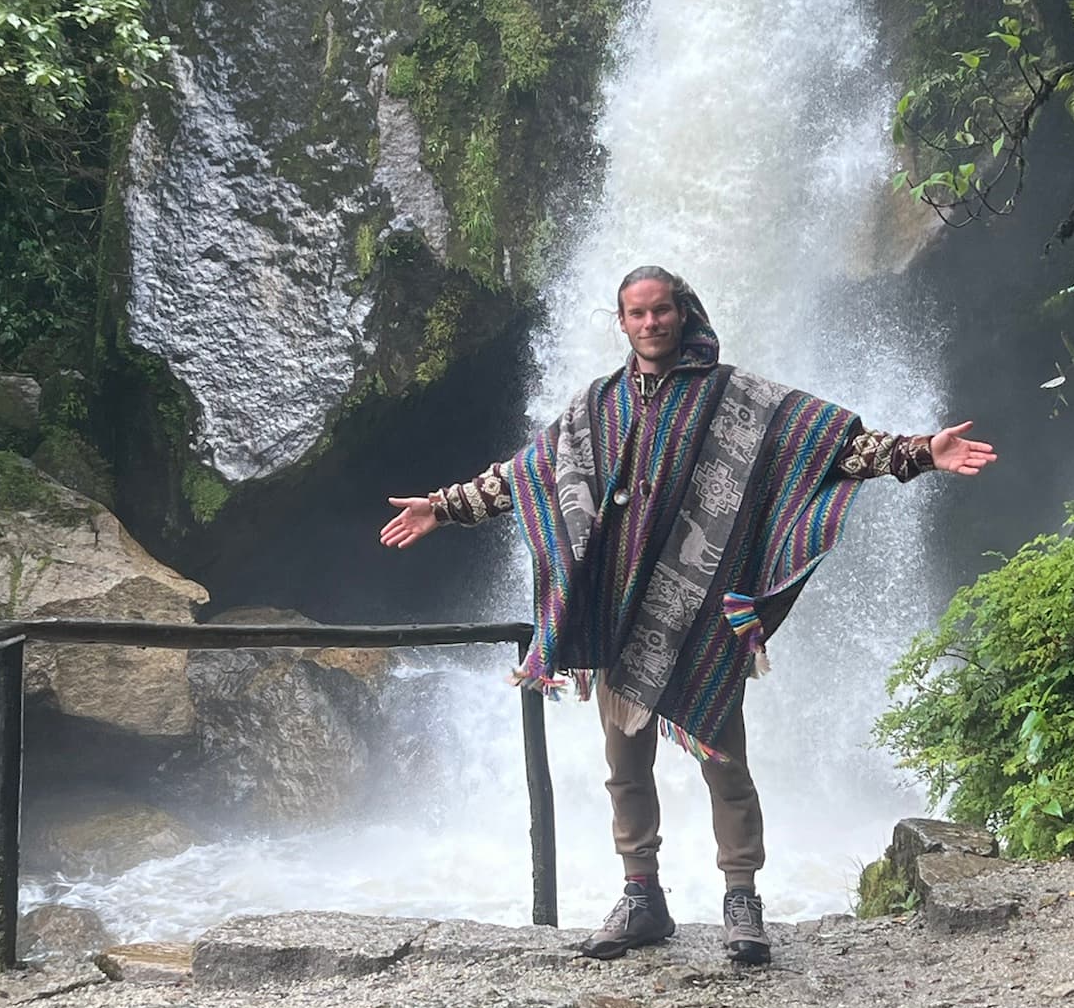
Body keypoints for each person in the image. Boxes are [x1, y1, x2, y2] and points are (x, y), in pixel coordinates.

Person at [380, 267, 995, 966]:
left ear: (682, 312)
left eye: (661, 310)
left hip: (701, 613)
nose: (650, 323)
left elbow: (829, 445)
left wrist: (919, 453)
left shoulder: (739, 399)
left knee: (724, 759)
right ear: (621, 322)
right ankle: (642, 898)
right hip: (616, 612)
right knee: (625, 766)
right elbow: (522, 474)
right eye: (637, 314)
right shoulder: (595, 410)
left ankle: (741, 900)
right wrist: (443, 506)